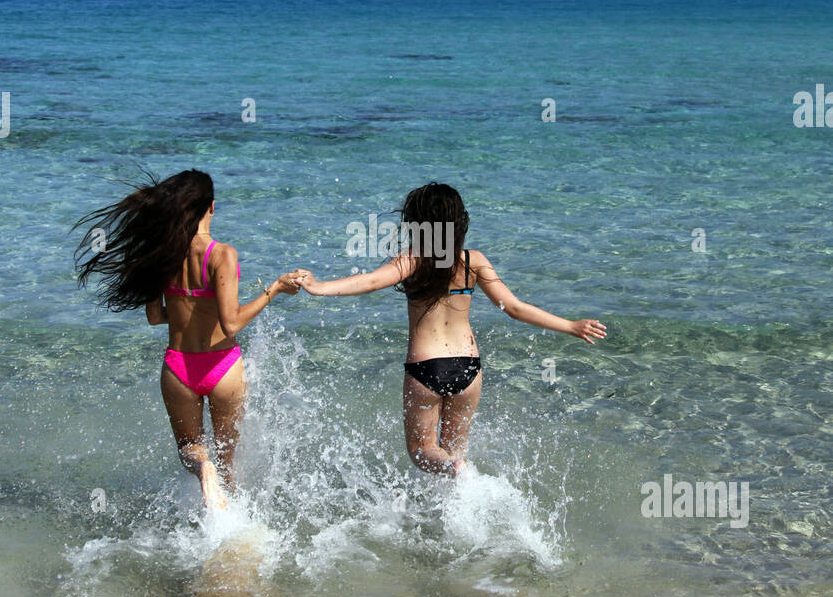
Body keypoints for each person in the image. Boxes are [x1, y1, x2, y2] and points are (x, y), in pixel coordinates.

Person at [294, 182, 606, 478]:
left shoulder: (412, 261)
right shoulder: (473, 261)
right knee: (454, 450)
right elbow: (513, 308)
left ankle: (455, 471)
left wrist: (318, 287)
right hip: (468, 367)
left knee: (422, 451)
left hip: (425, 367)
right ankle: (458, 485)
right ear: (458, 224)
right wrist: (570, 325)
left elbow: (369, 281)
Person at [75, 169, 300, 505]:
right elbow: (232, 323)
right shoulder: (222, 254)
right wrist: (276, 289)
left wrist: (184, 311)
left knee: (191, 454)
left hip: (178, 369)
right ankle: (231, 533)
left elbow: (155, 317)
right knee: (227, 463)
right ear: (211, 207)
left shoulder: (161, 253)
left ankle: (202, 472)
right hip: (223, 367)